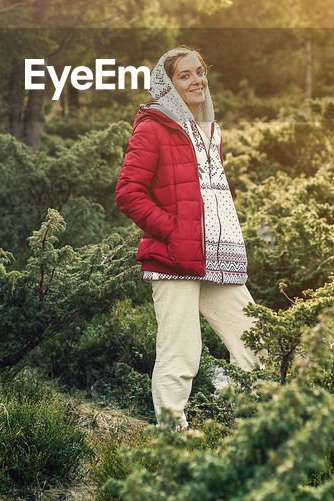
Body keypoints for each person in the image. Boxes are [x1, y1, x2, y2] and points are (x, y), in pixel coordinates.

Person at [115, 46, 260, 430]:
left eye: (200, 72)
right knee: (181, 353)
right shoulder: (153, 127)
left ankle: (247, 426)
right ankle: (170, 436)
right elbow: (128, 193)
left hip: (220, 257)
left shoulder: (211, 129)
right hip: (174, 259)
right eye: (185, 75)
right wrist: (174, 232)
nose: (197, 80)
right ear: (167, 85)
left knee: (256, 340)